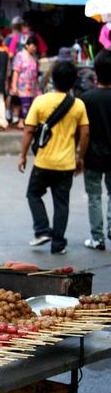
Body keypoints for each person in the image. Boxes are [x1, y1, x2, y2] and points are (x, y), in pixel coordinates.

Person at [18, 60, 89, 255]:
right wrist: (80, 158)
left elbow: (29, 130)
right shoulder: (78, 105)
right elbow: (84, 134)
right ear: (73, 82)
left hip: (43, 162)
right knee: (61, 204)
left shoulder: (40, 101)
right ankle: (58, 244)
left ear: (53, 79)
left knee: (33, 194)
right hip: (66, 163)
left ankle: (42, 230)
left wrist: (23, 155)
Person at [80, 49, 111, 250]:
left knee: (94, 196)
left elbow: (84, 132)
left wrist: (79, 155)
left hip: (92, 155)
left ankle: (97, 237)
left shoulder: (87, 98)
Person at [10, 36, 39, 129]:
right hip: (22, 85)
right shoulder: (20, 55)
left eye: (35, 47)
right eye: (32, 46)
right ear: (27, 45)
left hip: (32, 85)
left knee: (30, 104)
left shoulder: (34, 57)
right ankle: (21, 122)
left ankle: (26, 121)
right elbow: (16, 71)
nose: (34, 48)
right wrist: (14, 85)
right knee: (24, 104)